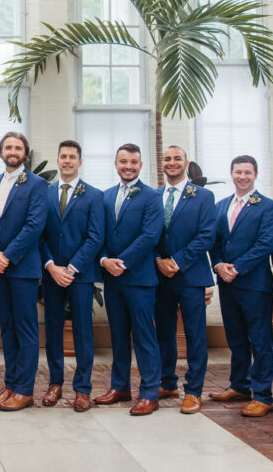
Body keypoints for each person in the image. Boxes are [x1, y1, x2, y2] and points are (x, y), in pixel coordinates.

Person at [0, 132, 48, 412]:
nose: (13, 151)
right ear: (0, 152)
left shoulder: (37, 185)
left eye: (18, 147)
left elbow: (34, 226)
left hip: (22, 268)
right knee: (7, 329)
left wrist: (7, 256)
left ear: (25, 153)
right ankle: (10, 385)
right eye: (8, 147)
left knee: (26, 329)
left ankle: (24, 390)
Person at [208, 155, 273, 418]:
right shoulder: (220, 206)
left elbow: (266, 244)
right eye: (238, 171)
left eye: (247, 172)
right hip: (227, 283)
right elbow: (213, 242)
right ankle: (239, 385)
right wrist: (218, 265)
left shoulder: (269, 207)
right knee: (236, 338)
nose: (242, 176)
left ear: (255, 175)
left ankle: (263, 395)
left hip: (253, 284)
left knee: (260, 341)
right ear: (231, 173)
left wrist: (236, 268)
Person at [95, 143, 163, 416]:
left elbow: (150, 236)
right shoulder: (106, 196)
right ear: (115, 164)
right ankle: (120, 386)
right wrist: (103, 261)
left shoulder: (151, 196)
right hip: (112, 279)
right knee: (119, 335)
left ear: (140, 165)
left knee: (144, 337)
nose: (128, 166)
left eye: (133, 162)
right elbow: (97, 234)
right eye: (123, 161)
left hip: (139, 279)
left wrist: (121, 263)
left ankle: (149, 393)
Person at [39, 140, 105, 412]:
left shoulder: (94, 195)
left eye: (72, 157)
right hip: (53, 274)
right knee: (53, 330)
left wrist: (72, 267)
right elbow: (39, 234)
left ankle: (82, 388)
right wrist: (51, 265)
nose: (67, 161)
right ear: (57, 160)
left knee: (82, 332)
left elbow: (95, 236)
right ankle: (55, 383)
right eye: (63, 156)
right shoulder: (44, 194)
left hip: (81, 275)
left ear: (80, 161)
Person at [154, 146, 216, 414]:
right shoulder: (154, 196)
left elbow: (206, 235)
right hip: (159, 276)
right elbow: (146, 233)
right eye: (167, 159)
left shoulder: (203, 196)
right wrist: (158, 259)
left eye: (177, 158)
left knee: (195, 334)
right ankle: (167, 382)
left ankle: (194, 390)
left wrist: (177, 262)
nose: (171, 162)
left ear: (186, 163)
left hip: (190, 275)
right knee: (163, 332)